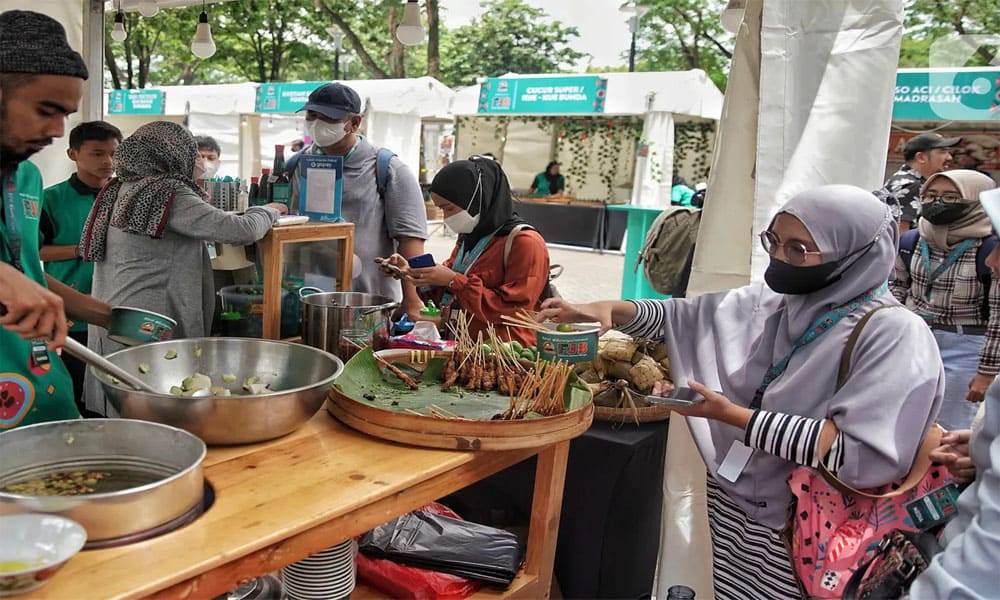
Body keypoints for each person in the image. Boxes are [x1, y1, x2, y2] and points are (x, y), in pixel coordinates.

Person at [539, 185, 943, 600]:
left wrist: (732, 416)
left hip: (810, 522)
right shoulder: (780, 301)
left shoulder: (894, 335)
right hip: (736, 506)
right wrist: (612, 309)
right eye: (774, 241)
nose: (780, 257)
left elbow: (860, 453)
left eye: (799, 250)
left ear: (855, 256)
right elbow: (688, 316)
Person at [79, 121, 287, 416]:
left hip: (117, 315)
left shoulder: (120, 188)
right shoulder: (166, 192)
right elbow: (239, 230)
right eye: (193, 153)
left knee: (121, 404)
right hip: (152, 321)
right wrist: (271, 210)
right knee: (155, 409)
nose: (199, 161)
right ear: (171, 155)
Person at [0, 10, 113, 429]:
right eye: (46, 109)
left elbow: (24, 270)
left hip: (36, 385)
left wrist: (104, 315)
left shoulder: (25, 175)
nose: (57, 129)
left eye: (66, 113)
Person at [908, 187, 1000, 598]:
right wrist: (983, 457)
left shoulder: (979, 250)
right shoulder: (918, 241)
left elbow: (984, 565)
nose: (994, 263)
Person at [377, 157, 551, 348]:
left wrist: (454, 280)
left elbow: (515, 311)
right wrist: (413, 273)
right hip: (461, 348)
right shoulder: (469, 237)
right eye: (441, 210)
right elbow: (446, 294)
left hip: (506, 354)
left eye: (449, 209)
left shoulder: (525, 242)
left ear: (476, 200)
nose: (446, 218)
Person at [288, 82, 427, 318]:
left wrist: (412, 301)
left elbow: (411, 241)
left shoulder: (387, 169)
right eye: (311, 116)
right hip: (306, 298)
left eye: (328, 118)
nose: (317, 124)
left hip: (369, 304)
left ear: (354, 123)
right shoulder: (295, 166)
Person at [890, 170, 999, 430]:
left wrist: (986, 372)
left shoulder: (990, 249)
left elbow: (998, 316)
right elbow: (896, 286)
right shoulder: (912, 239)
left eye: (951, 197)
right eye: (931, 195)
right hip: (912, 339)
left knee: (947, 428)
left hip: (965, 346)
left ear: (975, 201)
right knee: (901, 421)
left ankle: (943, 474)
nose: (937, 203)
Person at [40, 120, 122, 416]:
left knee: (117, 395)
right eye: (97, 153)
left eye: (114, 152)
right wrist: (81, 249)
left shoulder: (126, 197)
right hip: (73, 315)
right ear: (72, 154)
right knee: (80, 399)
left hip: (116, 309)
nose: (108, 162)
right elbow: (33, 251)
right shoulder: (50, 199)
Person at [875, 132, 960, 232]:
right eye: (942, 151)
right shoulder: (911, 186)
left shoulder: (904, 179)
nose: (949, 157)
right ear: (921, 157)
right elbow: (899, 234)